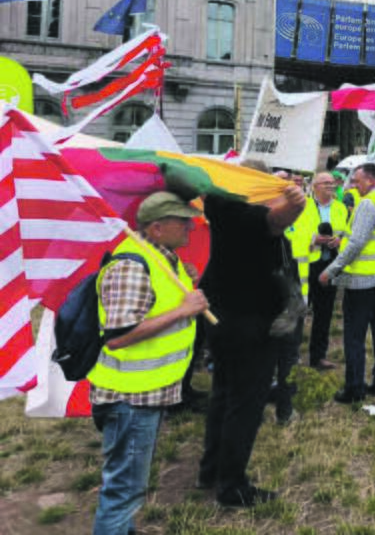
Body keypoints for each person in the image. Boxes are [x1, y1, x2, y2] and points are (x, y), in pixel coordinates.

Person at [89, 192, 208, 535]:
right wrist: (183, 310)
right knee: (123, 490)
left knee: (128, 486)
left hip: (148, 395)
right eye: (182, 221)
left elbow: (157, 306)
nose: (191, 226)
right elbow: (118, 336)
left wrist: (185, 285)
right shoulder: (131, 266)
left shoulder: (163, 258)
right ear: (156, 228)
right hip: (130, 399)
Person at [197, 169, 305, 507]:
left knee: (223, 396)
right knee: (246, 405)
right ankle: (232, 486)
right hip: (253, 327)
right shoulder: (248, 218)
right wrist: (296, 202)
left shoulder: (218, 207)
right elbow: (280, 218)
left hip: (221, 322)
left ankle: (211, 470)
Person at [320, 163, 375, 403]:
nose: (354, 187)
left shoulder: (368, 204)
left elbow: (356, 243)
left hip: (363, 281)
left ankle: (354, 388)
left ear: (369, 181)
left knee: (354, 337)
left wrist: (331, 271)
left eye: (356, 182)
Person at [289, 173, 350, 372]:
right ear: (314, 186)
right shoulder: (303, 206)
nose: (331, 186)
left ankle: (318, 356)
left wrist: (339, 241)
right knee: (299, 312)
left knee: (324, 312)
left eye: (333, 183)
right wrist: (313, 240)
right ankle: (292, 354)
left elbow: (346, 233)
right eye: (326, 183)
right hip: (308, 266)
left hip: (330, 263)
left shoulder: (341, 208)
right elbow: (295, 233)